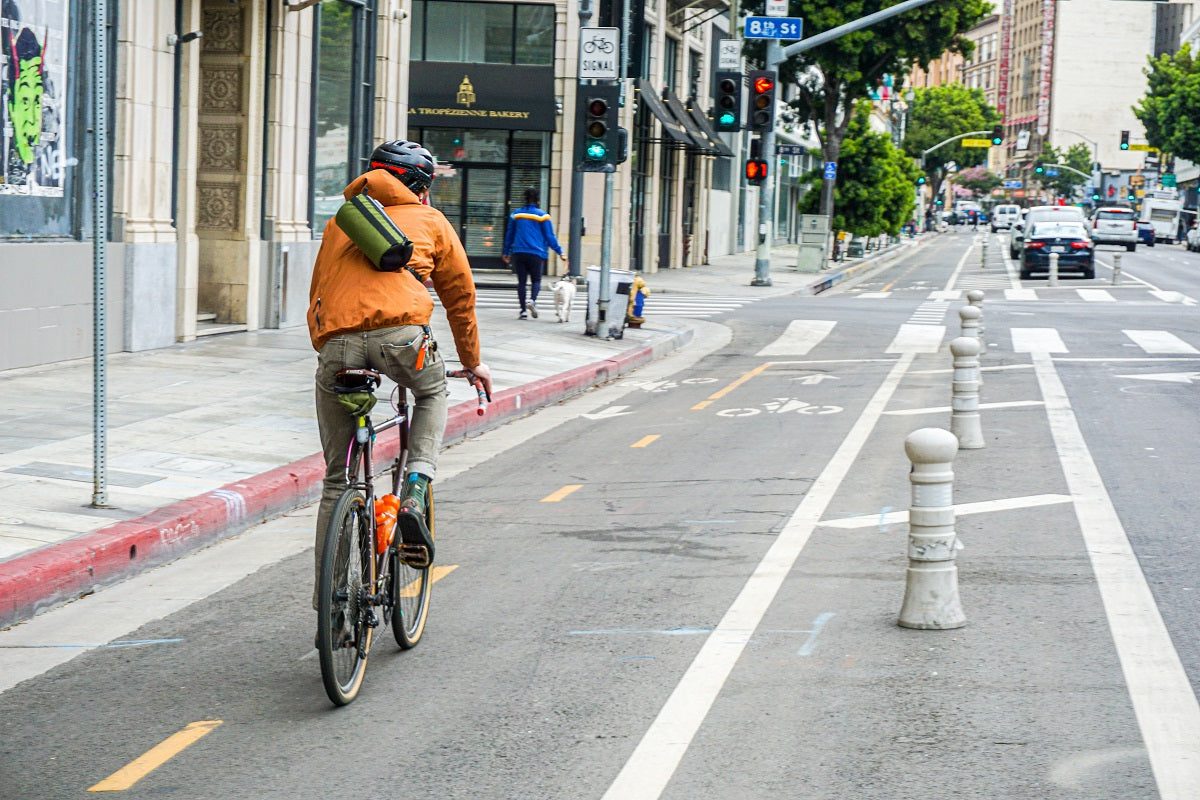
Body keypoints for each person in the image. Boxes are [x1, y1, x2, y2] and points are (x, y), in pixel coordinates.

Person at [306, 139, 493, 613]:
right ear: (418, 187)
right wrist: (472, 362)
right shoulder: (431, 221)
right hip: (404, 341)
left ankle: (329, 603)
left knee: (337, 479)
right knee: (432, 393)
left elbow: (318, 293)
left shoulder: (338, 223)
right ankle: (414, 488)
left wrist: (330, 350)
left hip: (337, 346)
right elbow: (460, 298)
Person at [501, 187, 567, 319]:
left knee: (522, 282)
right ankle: (532, 300)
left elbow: (510, 234)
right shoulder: (543, 216)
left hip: (519, 252)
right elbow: (550, 236)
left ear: (525, 198)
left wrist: (506, 251)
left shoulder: (516, 214)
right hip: (536, 253)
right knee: (536, 280)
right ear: (538, 199)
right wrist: (560, 252)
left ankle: (523, 311)